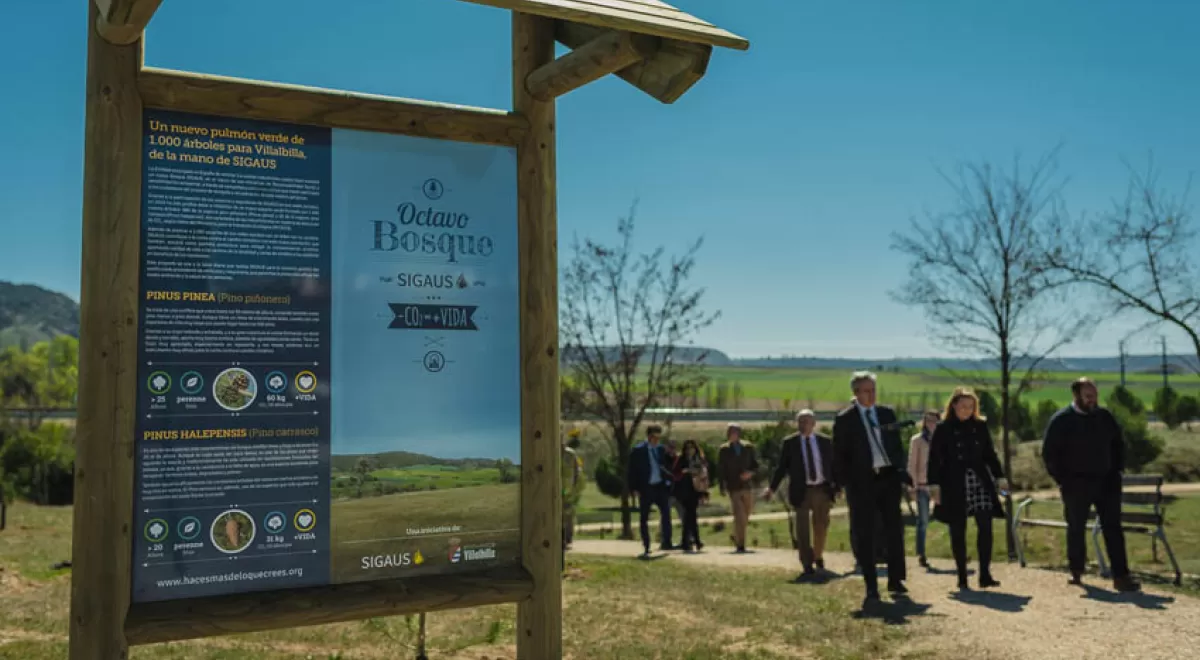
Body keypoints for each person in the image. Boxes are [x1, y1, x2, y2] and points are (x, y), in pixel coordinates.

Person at [1042, 378, 1142, 592]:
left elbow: (1118, 445)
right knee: (1076, 528)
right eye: (1088, 396)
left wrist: (1117, 471)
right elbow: (1050, 454)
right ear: (1076, 395)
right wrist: (1063, 479)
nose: (1092, 400)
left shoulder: (1104, 417)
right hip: (1076, 484)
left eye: (1094, 395)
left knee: (1113, 528)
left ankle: (1121, 576)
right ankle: (1077, 571)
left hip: (1107, 482)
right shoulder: (1061, 420)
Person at [832, 371, 911, 605]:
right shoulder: (845, 419)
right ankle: (871, 586)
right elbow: (839, 456)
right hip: (862, 482)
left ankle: (896, 579)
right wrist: (845, 483)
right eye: (866, 391)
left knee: (893, 529)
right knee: (865, 533)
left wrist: (901, 472)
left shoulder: (886, 414)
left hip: (888, 478)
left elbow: (897, 446)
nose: (871, 395)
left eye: (873, 390)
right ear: (855, 393)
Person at [927, 388, 1007, 590]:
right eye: (963, 406)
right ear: (953, 405)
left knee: (986, 526)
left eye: (970, 407)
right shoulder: (943, 428)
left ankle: (985, 574)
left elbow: (989, 453)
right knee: (958, 530)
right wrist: (934, 485)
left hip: (979, 481)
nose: (966, 410)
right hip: (954, 483)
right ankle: (962, 576)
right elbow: (934, 460)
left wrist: (1000, 476)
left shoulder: (980, 426)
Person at [764, 409, 838, 581]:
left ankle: (818, 555)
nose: (803, 425)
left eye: (806, 421)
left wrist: (838, 485)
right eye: (800, 422)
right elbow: (782, 468)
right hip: (801, 490)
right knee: (802, 528)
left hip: (822, 489)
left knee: (821, 525)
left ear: (814, 423)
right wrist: (772, 488)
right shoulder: (790, 443)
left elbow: (833, 466)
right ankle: (806, 562)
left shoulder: (825, 442)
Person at [627, 424, 674, 556]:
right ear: (649, 436)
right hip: (646, 487)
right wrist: (634, 488)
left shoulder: (661, 450)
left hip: (660, 486)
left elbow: (667, 466)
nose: (656, 440)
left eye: (659, 437)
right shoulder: (638, 451)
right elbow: (632, 471)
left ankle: (667, 542)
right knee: (644, 518)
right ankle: (646, 544)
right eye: (654, 437)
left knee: (666, 513)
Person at [717, 423, 758, 553]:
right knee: (739, 514)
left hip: (747, 485)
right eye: (730, 432)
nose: (732, 434)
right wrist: (722, 485)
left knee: (747, 513)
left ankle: (736, 535)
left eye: (735, 432)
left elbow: (755, 465)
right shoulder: (724, 449)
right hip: (733, 485)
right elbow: (721, 469)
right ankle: (741, 544)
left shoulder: (748, 447)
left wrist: (750, 473)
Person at [907, 409, 940, 568]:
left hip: (939, 485)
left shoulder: (943, 439)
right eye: (928, 421)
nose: (931, 424)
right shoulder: (918, 441)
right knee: (924, 520)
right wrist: (912, 486)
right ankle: (922, 554)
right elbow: (912, 464)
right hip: (922, 485)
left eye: (934, 420)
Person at [672, 439, 709, 553]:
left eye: (692, 447)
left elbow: (704, 475)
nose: (690, 450)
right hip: (684, 491)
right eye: (687, 447)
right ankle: (693, 541)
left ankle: (688, 541)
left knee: (690, 517)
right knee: (690, 515)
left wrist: (704, 492)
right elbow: (675, 473)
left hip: (696, 490)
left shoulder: (699, 459)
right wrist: (684, 471)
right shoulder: (681, 459)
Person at [561, 430, 585, 555]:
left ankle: (567, 539)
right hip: (553, 492)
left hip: (567, 491)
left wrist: (575, 490)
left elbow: (577, 473)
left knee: (568, 516)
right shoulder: (549, 453)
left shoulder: (571, 454)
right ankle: (560, 541)